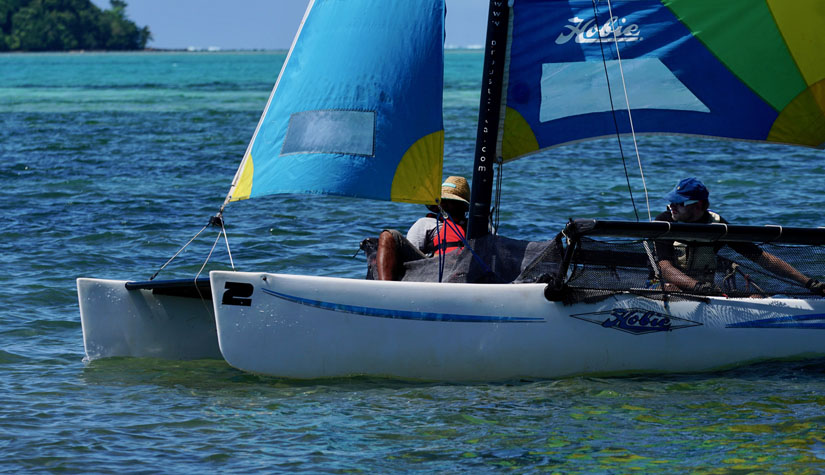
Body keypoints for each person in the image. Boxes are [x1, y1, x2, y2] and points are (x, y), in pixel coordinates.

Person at [653, 177, 825, 296]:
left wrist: (808, 282)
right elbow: (665, 268)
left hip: (706, 292)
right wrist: (697, 286)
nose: (672, 207)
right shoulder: (664, 222)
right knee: (671, 288)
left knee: (757, 297)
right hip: (664, 287)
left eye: (679, 203)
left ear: (698, 206)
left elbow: (761, 258)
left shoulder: (719, 225)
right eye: (671, 202)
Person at [376, 176, 470, 281]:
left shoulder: (477, 227)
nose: (443, 204)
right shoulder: (426, 224)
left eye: (450, 200)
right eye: (442, 200)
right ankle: (385, 288)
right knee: (387, 236)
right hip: (430, 271)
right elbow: (408, 259)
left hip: (464, 274)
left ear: (462, 205)